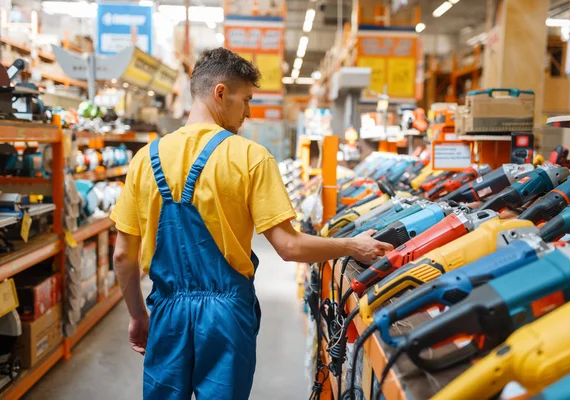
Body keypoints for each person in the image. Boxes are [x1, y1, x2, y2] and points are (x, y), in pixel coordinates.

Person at [111, 47, 393, 400]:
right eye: (245, 100)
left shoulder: (143, 161)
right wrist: (354, 246)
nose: (247, 112)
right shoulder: (250, 157)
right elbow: (289, 247)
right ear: (220, 93)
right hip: (226, 316)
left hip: (167, 313)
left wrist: (139, 316)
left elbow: (123, 256)